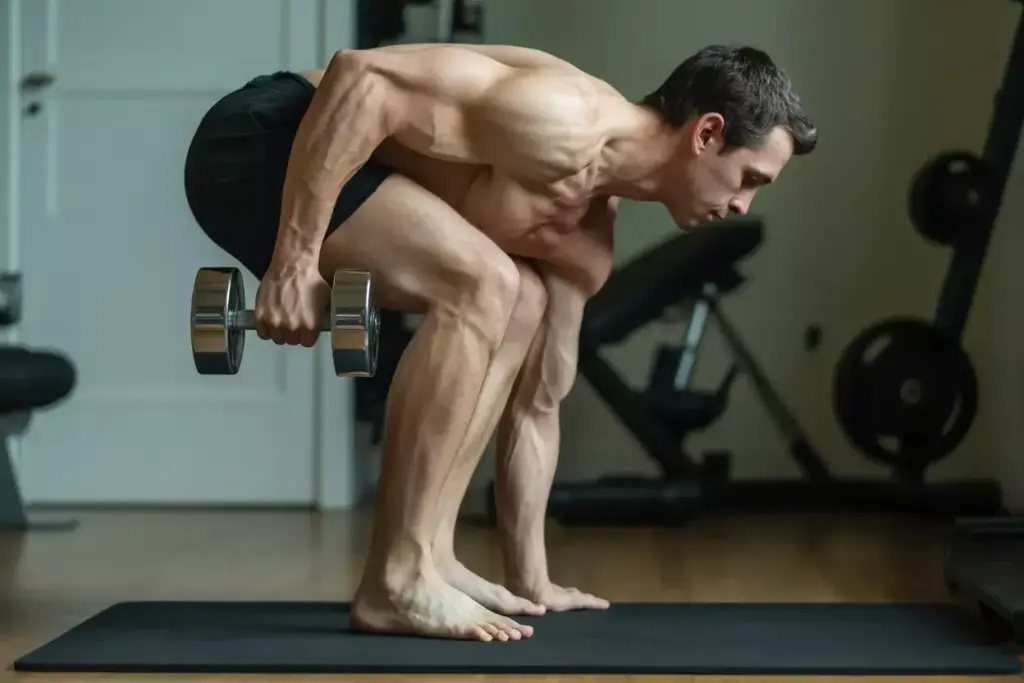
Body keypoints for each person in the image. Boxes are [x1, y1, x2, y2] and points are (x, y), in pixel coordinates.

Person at [183, 42, 817, 643]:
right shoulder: (563, 118)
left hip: (348, 165)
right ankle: (396, 579)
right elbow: (361, 78)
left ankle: (432, 555)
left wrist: (531, 579)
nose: (744, 204)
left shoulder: (586, 241)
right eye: (749, 177)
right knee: (484, 282)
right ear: (707, 134)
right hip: (264, 139)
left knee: (523, 301)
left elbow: (537, 406)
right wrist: (294, 263)